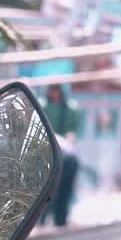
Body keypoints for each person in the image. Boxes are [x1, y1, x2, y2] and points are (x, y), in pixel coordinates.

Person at [42, 84, 80, 227]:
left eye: (56, 89)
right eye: (52, 89)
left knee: (63, 192)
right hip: (48, 154)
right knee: (46, 192)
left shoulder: (71, 108)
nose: (54, 93)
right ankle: (43, 222)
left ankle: (60, 221)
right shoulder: (43, 106)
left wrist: (67, 143)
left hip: (66, 156)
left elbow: (72, 132)